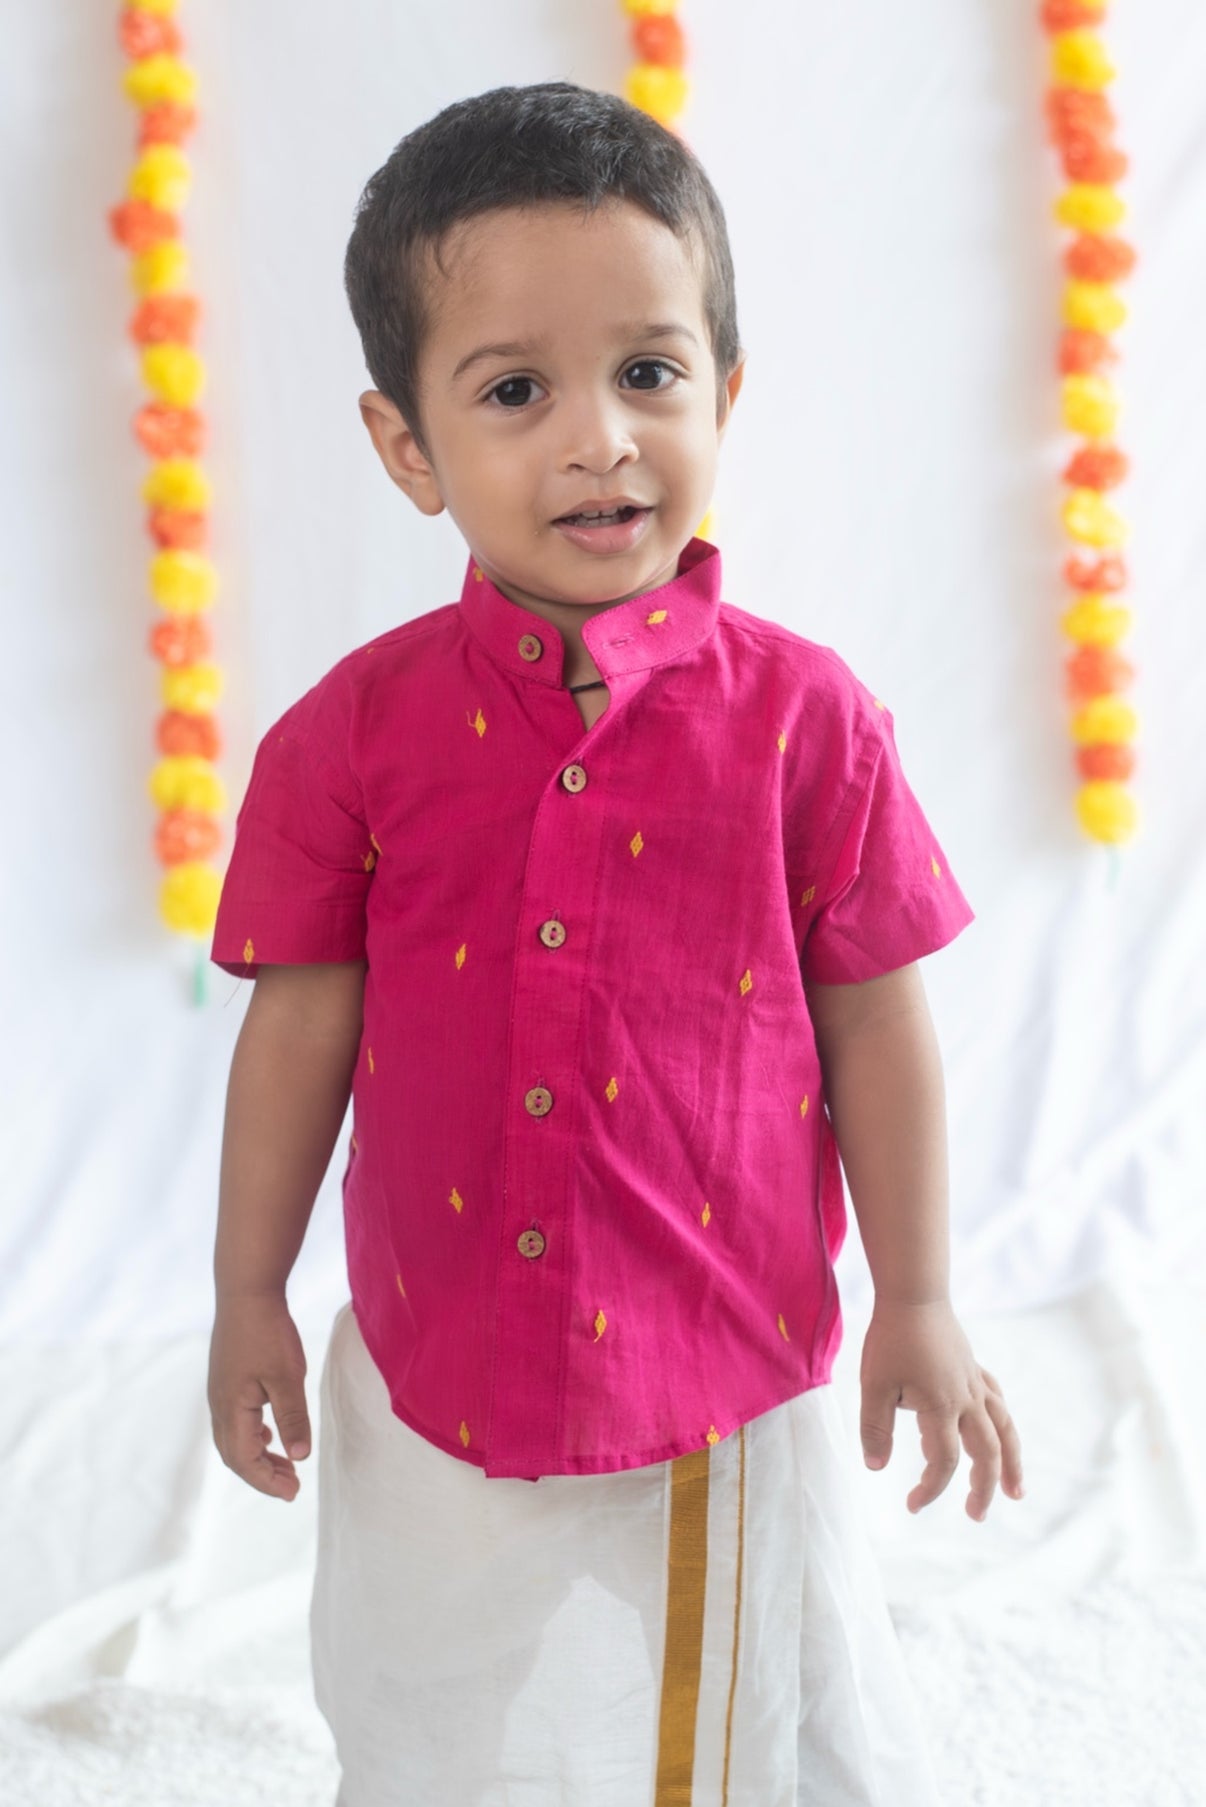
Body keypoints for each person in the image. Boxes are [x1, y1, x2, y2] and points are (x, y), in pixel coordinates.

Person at [206, 80, 1025, 1807]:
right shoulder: (346, 738)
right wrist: (243, 1292)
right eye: (516, 391)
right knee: (421, 1710)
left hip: (710, 1367)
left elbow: (878, 1024)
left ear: (724, 392)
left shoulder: (808, 723)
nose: (599, 439)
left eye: (649, 371)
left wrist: (918, 1296)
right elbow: (298, 1027)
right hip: (432, 1353)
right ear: (407, 446)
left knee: (723, 1738)